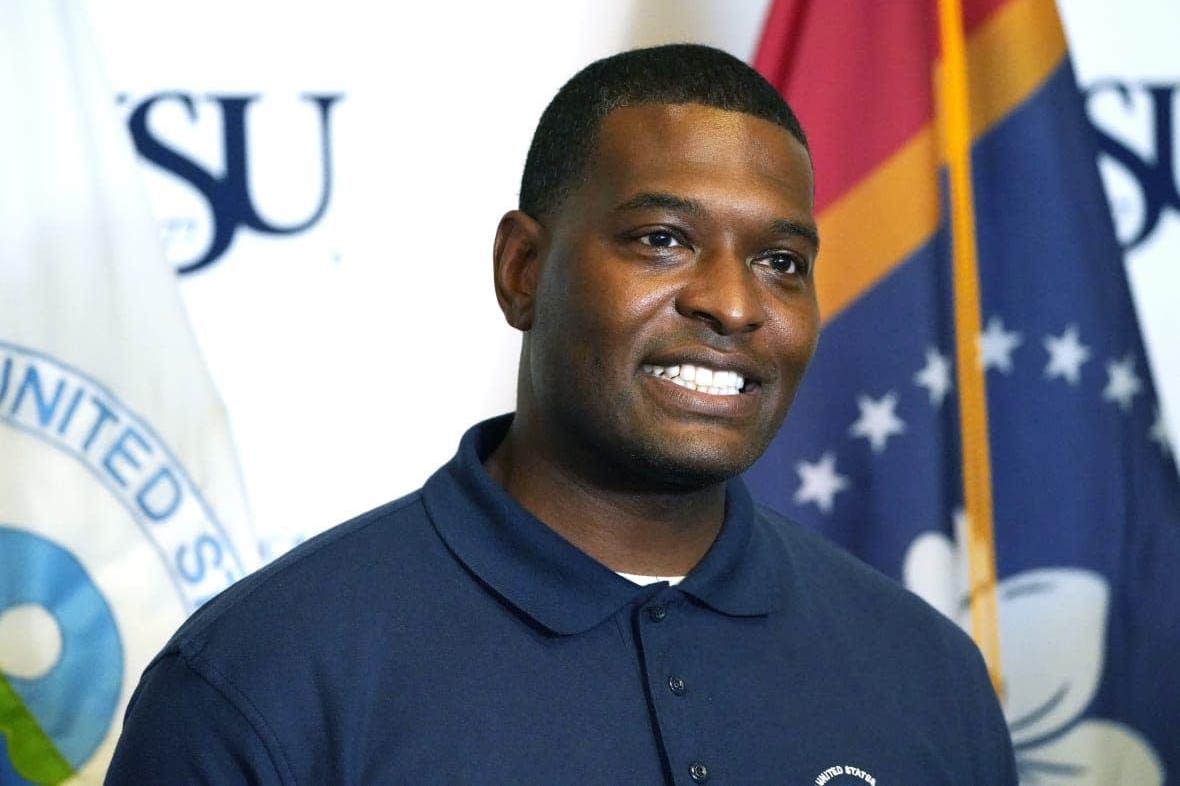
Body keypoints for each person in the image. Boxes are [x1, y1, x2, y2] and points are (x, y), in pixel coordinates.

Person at [107, 44, 1017, 784]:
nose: (735, 304)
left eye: (782, 260)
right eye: (664, 240)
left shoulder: (929, 674)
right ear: (522, 270)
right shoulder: (257, 682)